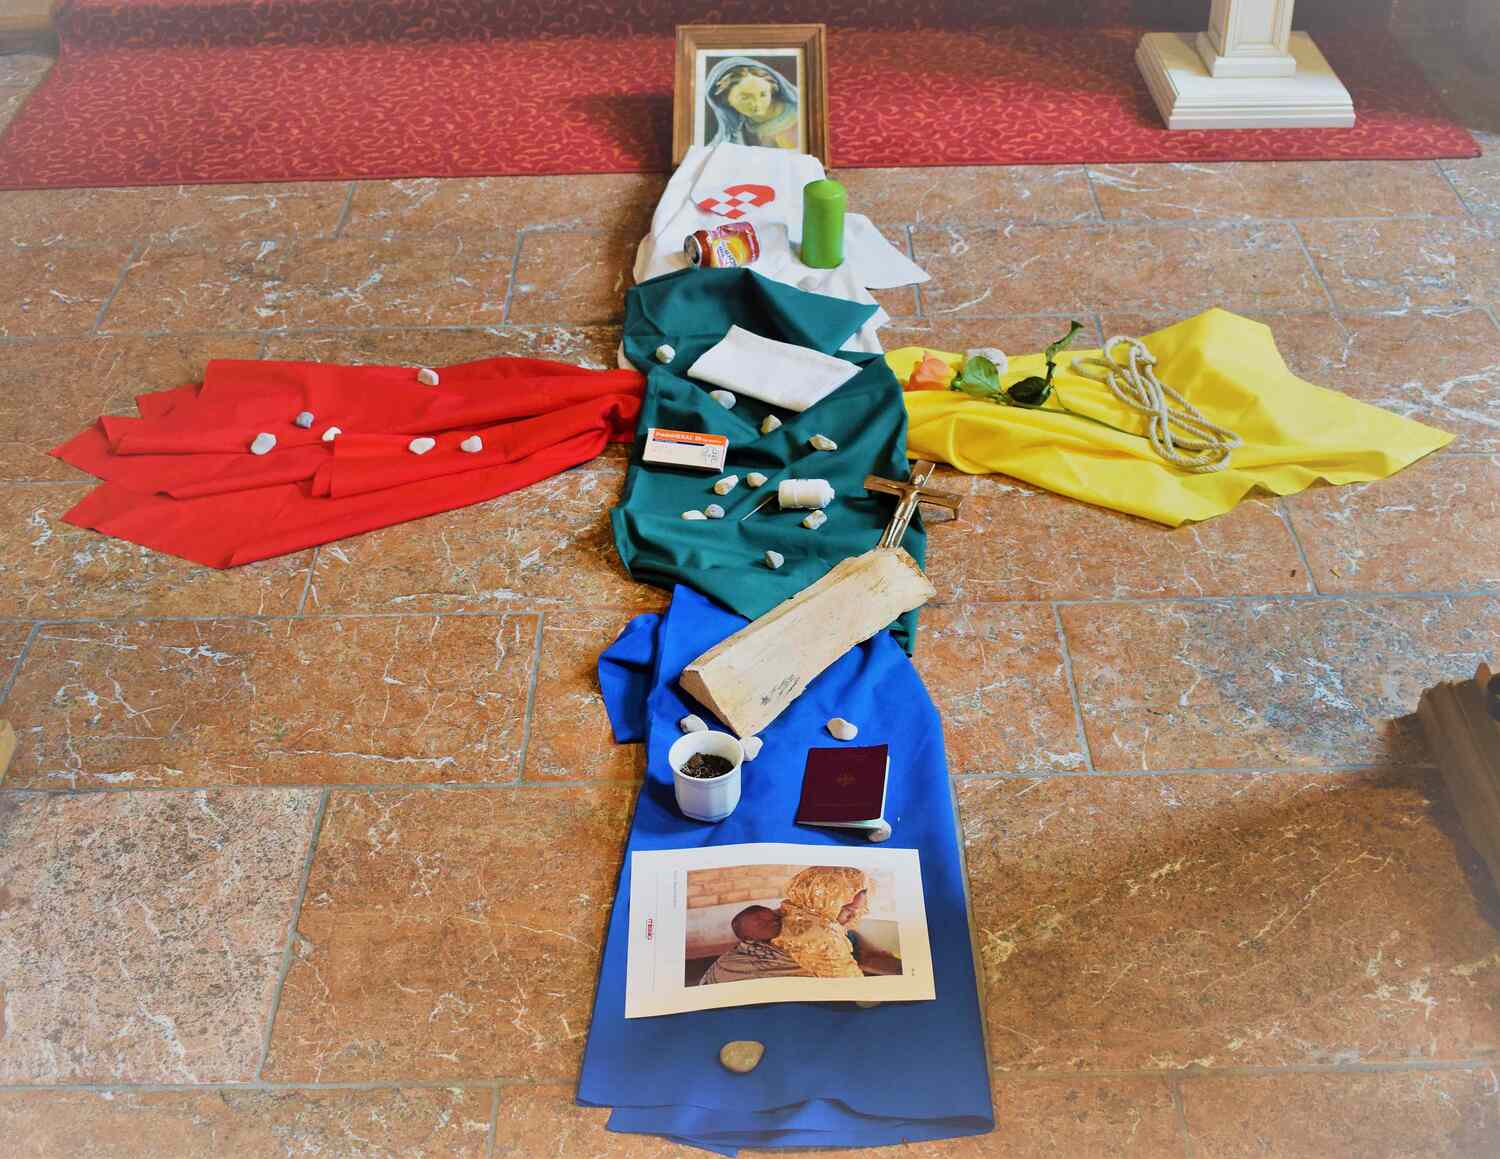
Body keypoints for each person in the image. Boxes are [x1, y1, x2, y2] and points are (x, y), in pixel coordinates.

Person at [772, 866, 870, 979]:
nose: (853, 917)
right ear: (823, 901)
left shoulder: (788, 910)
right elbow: (850, 983)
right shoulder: (825, 937)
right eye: (848, 910)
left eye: (857, 910)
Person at [703, 56, 801, 151]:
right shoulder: (738, 130)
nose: (757, 103)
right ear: (726, 100)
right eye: (745, 98)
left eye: (763, 94)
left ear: (772, 90)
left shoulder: (798, 118)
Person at [697, 904, 809, 985]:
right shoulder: (750, 951)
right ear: (750, 938)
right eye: (761, 924)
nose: (773, 922)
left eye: (774, 918)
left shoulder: (789, 916)